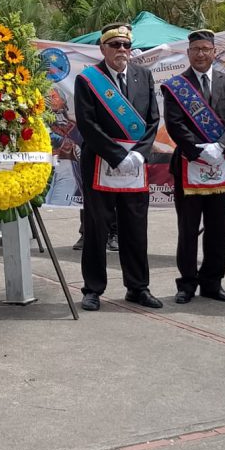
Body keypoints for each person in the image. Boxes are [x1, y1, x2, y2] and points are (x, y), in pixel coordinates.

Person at [74, 23, 161, 311]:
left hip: (135, 164)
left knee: (135, 228)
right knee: (97, 229)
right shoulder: (88, 80)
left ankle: (138, 287)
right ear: (103, 48)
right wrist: (117, 156)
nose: (121, 50)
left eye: (125, 45)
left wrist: (139, 154)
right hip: (101, 162)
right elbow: (87, 124)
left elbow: (152, 119)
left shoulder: (143, 75)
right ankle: (93, 289)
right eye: (115, 45)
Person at [163, 29, 225, 304]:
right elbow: (174, 123)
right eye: (196, 49)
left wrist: (220, 147)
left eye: (206, 49)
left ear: (214, 53)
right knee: (188, 228)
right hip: (189, 164)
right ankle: (186, 283)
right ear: (188, 53)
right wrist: (199, 150)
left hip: (221, 165)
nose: (201, 54)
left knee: (218, 228)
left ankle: (213, 282)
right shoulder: (177, 85)